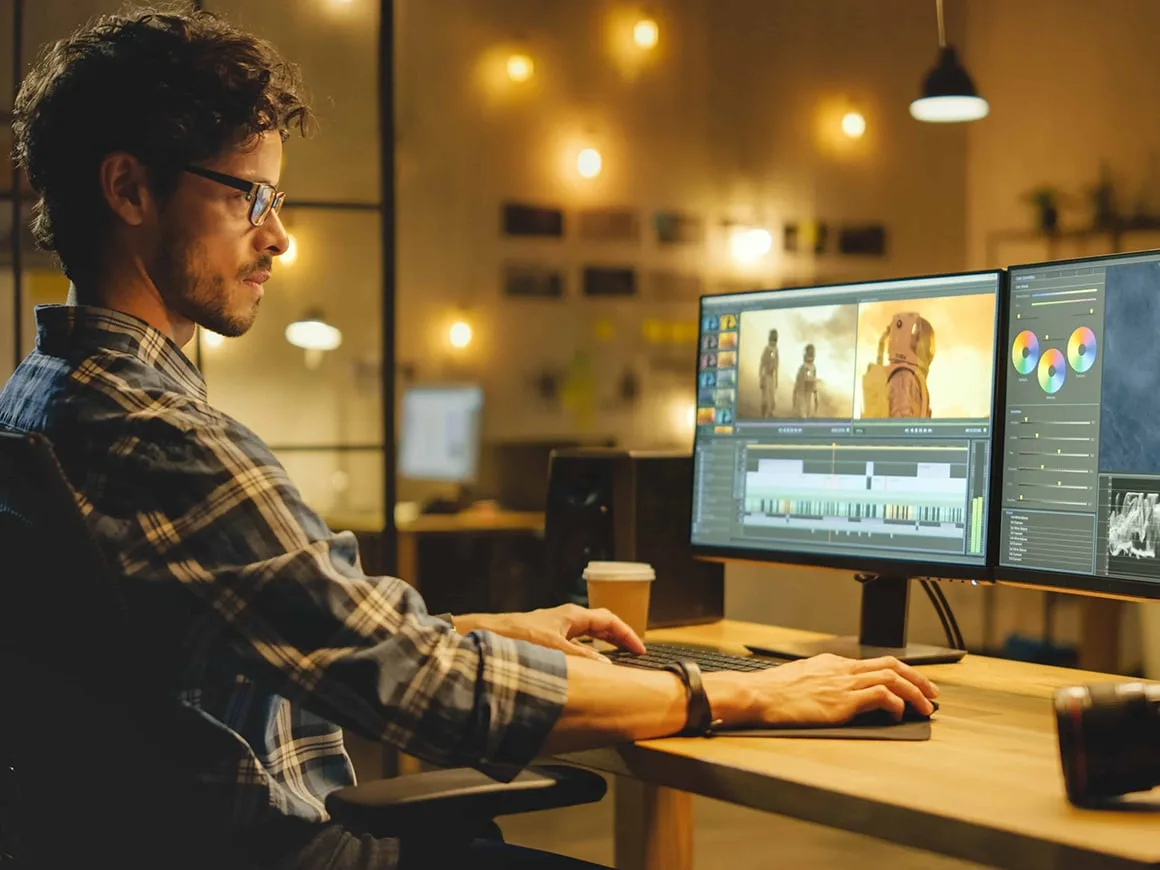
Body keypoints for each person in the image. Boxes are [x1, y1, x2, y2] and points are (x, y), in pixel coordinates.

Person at [0, 8, 938, 869]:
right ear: (128, 188)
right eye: (250, 196)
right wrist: (734, 692)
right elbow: (418, 688)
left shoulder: (42, 397)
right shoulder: (158, 435)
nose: (278, 236)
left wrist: (479, 632)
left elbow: (296, 636)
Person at [792, 343, 819, 417]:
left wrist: (815, 395)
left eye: (812, 352)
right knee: (803, 415)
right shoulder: (803, 367)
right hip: (802, 395)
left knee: (808, 413)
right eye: (810, 352)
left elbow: (813, 381)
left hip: (808, 395)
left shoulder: (813, 367)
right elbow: (798, 383)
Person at [759, 328, 779, 416]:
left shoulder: (776, 350)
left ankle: (770, 413)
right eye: (772, 339)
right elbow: (762, 364)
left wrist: (777, 378)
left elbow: (776, 365)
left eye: (775, 339)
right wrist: (761, 378)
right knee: (765, 399)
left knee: (773, 399)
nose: (774, 341)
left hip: (772, 377)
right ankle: (764, 416)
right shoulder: (767, 349)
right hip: (766, 375)